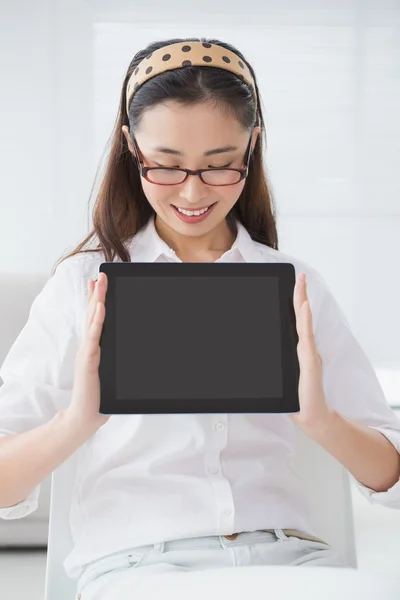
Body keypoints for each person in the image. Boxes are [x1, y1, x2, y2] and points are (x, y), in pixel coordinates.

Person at [0, 37, 400, 600]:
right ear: (129, 147)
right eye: (164, 166)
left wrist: (322, 421)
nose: (191, 192)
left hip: (291, 563)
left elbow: (392, 477)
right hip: (137, 568)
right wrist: (75, 424)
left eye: (220, 167)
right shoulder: (82, 284)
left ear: (251, 147)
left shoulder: (294, 283)